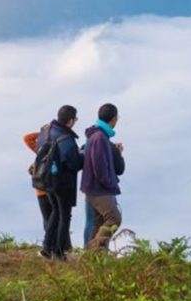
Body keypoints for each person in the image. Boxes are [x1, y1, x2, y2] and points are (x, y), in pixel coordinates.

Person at [39, 105, 84, 260]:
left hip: (46, 179)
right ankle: (59, 252)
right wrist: (83, 154)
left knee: (55, 212)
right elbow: (74, 163)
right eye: (75, 119)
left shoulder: (46, 131)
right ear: (70, 120)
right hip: (62, 182)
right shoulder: (66, 138)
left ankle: (46, 247)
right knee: (65, 215)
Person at [81, 103, 123, 250]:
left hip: (94, 186)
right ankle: (96, 251)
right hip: (98, 187)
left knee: (98, 223)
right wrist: (109, 182)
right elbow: (99, 166)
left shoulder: (98, 135)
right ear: (114, 118)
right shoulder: (99, 137)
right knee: (114, 218)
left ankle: (91, 257)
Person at [23, 126, 53, 237]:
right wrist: (42, 134)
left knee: (50, 219)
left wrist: (43, 134)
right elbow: (27, 138)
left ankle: (52, 244)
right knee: (51, 218)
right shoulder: (42, 148)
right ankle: (51, 245)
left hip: (43, 189)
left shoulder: (44, 148)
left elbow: (27, 138)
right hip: (44, 189)